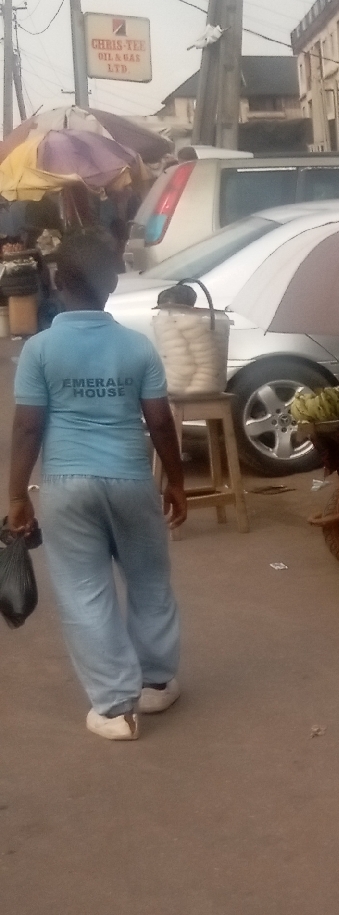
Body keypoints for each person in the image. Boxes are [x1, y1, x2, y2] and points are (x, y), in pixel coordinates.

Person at [7, 227, 186, 741]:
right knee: (149, 581)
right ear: (111, 285)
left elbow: (28, 428)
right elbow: (160, 422)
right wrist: (176, 483)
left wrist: (17, 495)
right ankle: (155, 684)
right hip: (131, 479)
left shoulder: (40, 350)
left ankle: (114, 710)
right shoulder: (137, 347)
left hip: (66, 486)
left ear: (57, 282)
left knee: (84, 593)